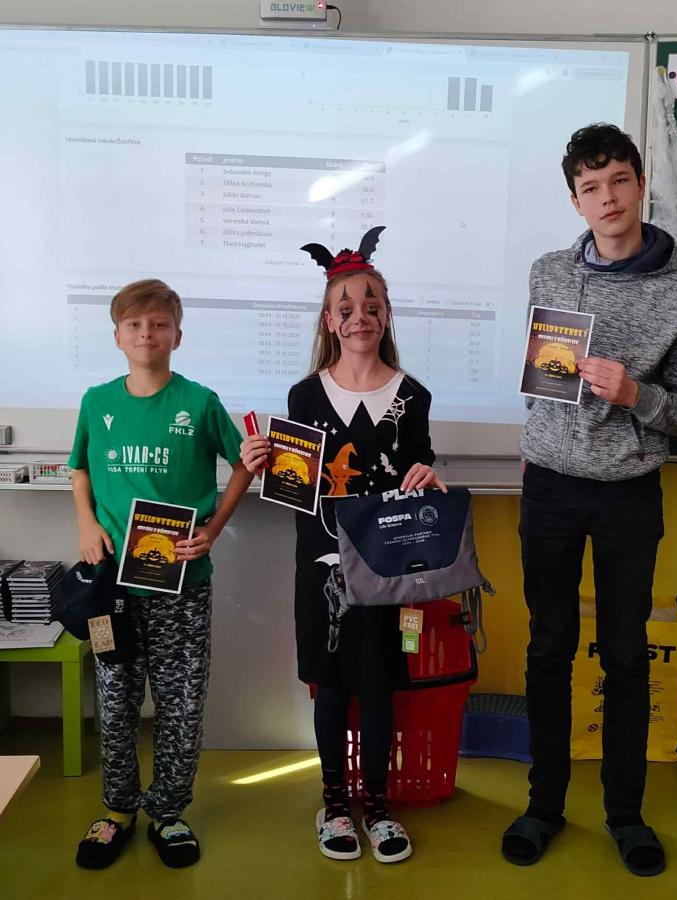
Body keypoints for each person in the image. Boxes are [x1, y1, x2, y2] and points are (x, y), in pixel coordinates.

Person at [502, 124, 677, 877]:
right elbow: (542, 375)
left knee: (624, 654)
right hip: (550, 487)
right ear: (576, 200)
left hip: (629, 493)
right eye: (591, 187)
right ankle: (543, 806)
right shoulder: (549, 273)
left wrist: (635, 395)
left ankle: (626, 814)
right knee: (548, 646)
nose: (608, 197)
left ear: (640, 185)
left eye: (619, 180)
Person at [241, 228, 446, 864]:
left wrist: (429, 477)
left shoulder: (412, 396)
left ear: (387, 316)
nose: (360, 316)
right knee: (330, 686)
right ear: (330, 321)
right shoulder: (305, 395)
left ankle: (378, 808)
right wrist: (262, 462)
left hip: (388, 571)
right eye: (346, 307)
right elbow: (295, 485)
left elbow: (420, 465)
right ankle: (334, 804)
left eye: (372, 305)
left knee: (381, 686)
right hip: (323, 568)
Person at [69, 279, 252, 869]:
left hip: (182, 587)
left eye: (158, 324)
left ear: (177, 334)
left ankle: (168, 812)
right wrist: (86, 524)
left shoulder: (199, 401)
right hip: (110, 589)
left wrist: (213, 528)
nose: (146, 333)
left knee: (181, 702)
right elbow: (79, 470)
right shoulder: (96, 401)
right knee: (115, 698)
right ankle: (118, 809)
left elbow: (244, 464)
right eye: (134, 324)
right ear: (117, 336)